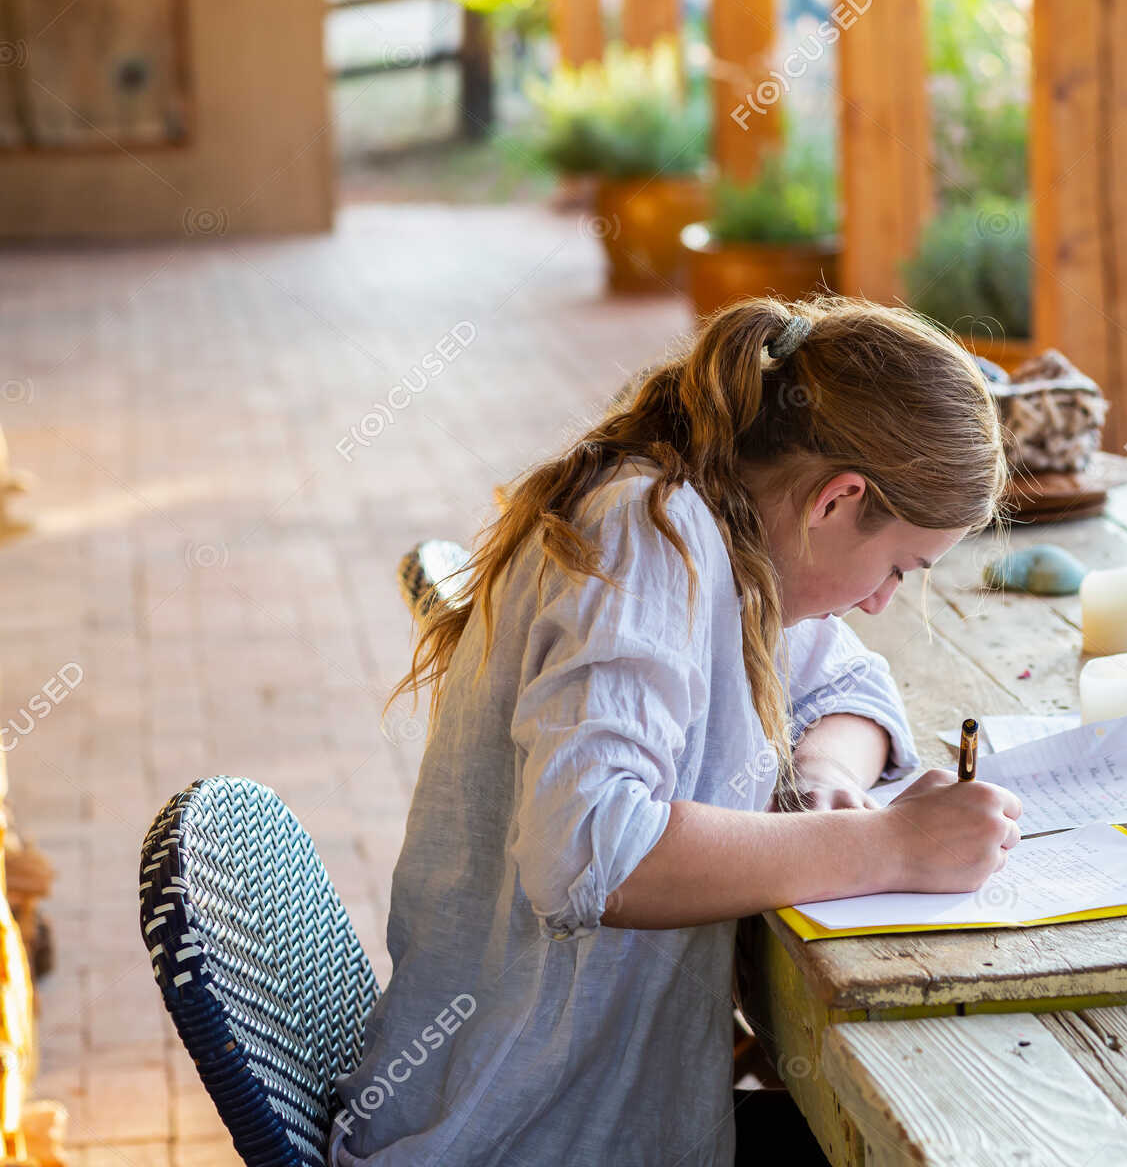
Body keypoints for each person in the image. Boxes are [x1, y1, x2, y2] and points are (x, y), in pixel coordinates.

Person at [332, 296, 1024, 1165]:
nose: (883, 601)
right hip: (524, 1131)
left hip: (608, 1105)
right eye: (897, 568)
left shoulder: (734, 525)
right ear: (839, 499)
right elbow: (589, 850)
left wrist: (825, 769)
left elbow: (847, 680)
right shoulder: (648, 538)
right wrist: (882, 846)